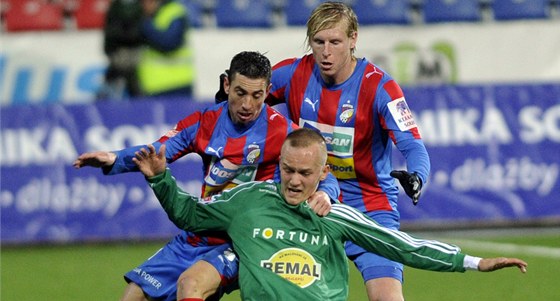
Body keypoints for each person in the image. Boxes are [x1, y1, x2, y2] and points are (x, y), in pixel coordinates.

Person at [133, 128, 527, 301]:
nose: (293, 180)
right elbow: (190, 215)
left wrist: (475, 262)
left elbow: (403, 247)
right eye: (287, 169)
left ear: (324, 173)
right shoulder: (247, 201)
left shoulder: (336, 215)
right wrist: (160, 180)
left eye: (305, 173)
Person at [73, 51, 338, 301]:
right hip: (200, 231)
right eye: (240, 92)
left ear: (268, 91)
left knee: (190, 284)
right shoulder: (204, 122)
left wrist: (326, 192)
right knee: (134, 294)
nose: (248, 104)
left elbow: (322, 171)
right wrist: (115, 158)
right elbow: (157, 153)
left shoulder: (282, 131)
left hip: (245, 238)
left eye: (257, 95)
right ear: (226, 85)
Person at [267, 2, 429, 300]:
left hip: (369, 208)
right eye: (319, 42)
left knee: (387, 296)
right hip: (307, 205)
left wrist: (417, 175)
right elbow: (245, 101)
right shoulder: (292, 74)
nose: (326, 52)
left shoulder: (380, 87)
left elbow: (411, 143)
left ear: (353, 39)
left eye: (335, 42)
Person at [137, 0, 195, 98]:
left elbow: (169, 42)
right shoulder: (144, 16)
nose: (145, 5)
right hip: (151, 87)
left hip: (177, 86)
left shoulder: (174, 11)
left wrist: (144, 25)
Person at [97, 0, 144, 100]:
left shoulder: (140, 6)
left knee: (137, 92)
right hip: (118, 56)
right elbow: (109, 33)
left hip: (134, 56)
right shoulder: (115, 7)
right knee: (107, 94)